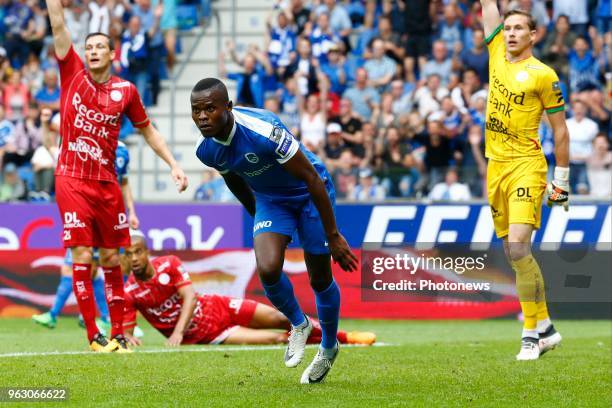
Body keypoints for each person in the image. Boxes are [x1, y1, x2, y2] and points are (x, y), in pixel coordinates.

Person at [191, 78, 357, 384]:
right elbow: (233, 180)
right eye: (196, 110)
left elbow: (311, 177)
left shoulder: (264, 130)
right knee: (267, 269)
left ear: (227, 108)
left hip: (309, 192)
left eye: (210, 109)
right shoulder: (207, 150)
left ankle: (329, 347)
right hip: (270, 201)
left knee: (319, 277)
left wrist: (333, 235)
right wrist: (258, 215)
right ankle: (299, 323)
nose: (202, 116)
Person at [45, 0, 188, 353]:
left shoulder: (126, 92)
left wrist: (173, 163)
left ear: (112, 53)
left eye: (99, 47)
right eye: (88, 47)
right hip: (72, 178)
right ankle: (93, 334)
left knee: (111, 260)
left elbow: (148, 130)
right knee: (81, 254)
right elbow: (58, 24)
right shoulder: (72, 72)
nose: (92, 51)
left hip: (108, 183)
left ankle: (119, 335)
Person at [480, 1, 569, 360]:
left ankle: (530, 334)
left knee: (518, 248)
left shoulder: (544, 75)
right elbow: (488, 5)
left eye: (520, 28)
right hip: (495, 167)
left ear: (534, 35)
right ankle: (545, 326)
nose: (512, 33)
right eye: (509, 27)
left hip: (527, 167)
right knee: (512, 253)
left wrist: (560, 181)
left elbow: (560, 132)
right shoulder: (496, 54)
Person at [122, 232, 375, 347]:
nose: (133, 258)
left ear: (146, 252)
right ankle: (327, 345)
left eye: (138, 252)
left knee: (282, 319)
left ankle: (343, 336)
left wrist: (176, 332)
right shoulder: (131, 291)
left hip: (216, 306)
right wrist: (128, 337)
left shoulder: (169, 264)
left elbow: (189, 296)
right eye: (128, 254)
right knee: (277, 339)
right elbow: (127, 327)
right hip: (207, 335)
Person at [32, 140, 141, 334]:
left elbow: (123, 182)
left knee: (112, 264)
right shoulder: (85, 140)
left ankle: (119, 320)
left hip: (108, 213)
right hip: (84, 211)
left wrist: (131, 211)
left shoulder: (121, 150)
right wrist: (47, 124)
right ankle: (69, 316)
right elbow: (51, 146)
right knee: (78, 268)